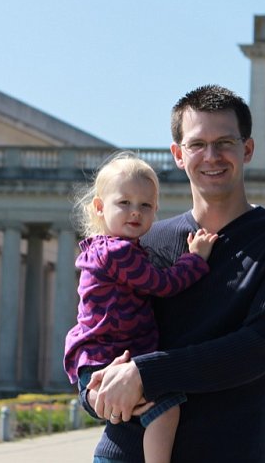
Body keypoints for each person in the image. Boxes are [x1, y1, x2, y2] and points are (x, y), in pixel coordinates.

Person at [83, 85, 265, 462]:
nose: (211, 156)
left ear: (247, 149)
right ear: (178, 155)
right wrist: (94, 390)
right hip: (126, 452)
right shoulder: (146, 241)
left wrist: (145, 374)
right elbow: (98, 324)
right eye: (197, 145)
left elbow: (258, 347)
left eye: (225, 142)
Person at [63, 151, 218, 463]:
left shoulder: (102, 249)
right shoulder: (119, 253)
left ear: (155, 211)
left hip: (95, 359)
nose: (135, 212)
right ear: (99, 207)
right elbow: (164, 284)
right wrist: (196, 259)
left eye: (145, 205)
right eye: (125, 203)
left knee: (142, 410)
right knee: (166, 409)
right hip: (108, 359)